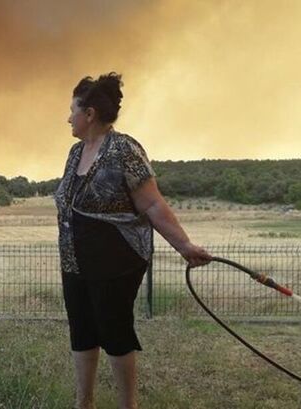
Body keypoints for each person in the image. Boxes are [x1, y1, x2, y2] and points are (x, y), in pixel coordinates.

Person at [54, 73, 212, 409]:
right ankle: (84, 403)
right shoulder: (74, 152)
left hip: (115, 261)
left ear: (90, 114)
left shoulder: (124, 149)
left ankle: (129, 406)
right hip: (74, 260)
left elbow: (152, 203)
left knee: (114, 332)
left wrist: (184, 246)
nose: (68, 117)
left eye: (72, 110)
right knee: (82, 330)